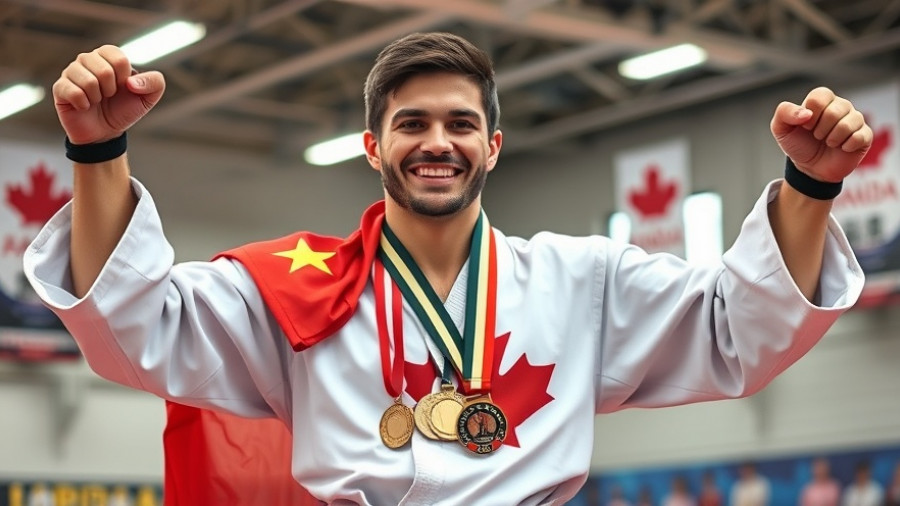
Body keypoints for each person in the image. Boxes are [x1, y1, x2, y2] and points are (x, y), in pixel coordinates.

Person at [23, 31, 870, 505]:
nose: (438, 142)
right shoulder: (293, 290)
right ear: (372, 147)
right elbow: (133, 325)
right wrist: (99, 152)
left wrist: (809, 184)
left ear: (493, 147)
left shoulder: (585, 284)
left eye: (461, 124)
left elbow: (741, 328)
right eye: (412, 123)